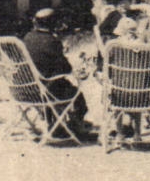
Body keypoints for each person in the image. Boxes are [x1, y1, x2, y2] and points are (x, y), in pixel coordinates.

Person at [22, 8, 95, 140]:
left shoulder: (28, 37)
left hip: (27, 88)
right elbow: (66, 68)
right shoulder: (51, 41)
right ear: (54, 24)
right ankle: (75, 125)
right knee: (74, 93)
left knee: (56, 84)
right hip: (45, 90)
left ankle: (55, 123)